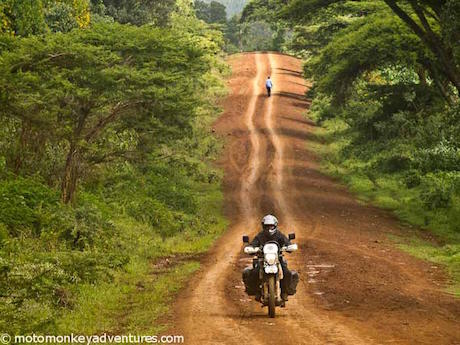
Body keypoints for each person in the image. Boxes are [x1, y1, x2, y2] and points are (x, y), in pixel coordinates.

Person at [242, 214, 299, 302]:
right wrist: (251, 248)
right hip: (263, 259)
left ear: (275, 225)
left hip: (278, 259)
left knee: (287, 273)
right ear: (263, 226)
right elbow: (253, 244)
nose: (269, 228)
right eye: (267, 226)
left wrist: (289, 246)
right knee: (254, 273)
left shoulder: (279, 235)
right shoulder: (260, 236)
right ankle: (256, 291)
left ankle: (285, 292)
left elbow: (287, 242)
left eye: (271, 226)